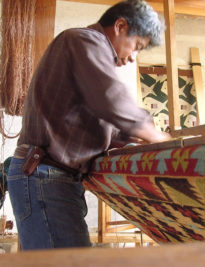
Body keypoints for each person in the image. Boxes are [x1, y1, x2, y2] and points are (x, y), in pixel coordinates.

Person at [7, 0, 170, 250]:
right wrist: (157, 137)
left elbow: (103, 120)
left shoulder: (83, 52)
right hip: (45, 178)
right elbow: (111, 99)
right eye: (137, 46)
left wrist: (133, 137)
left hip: (47, 177)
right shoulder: (84, 41)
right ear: (120, 26)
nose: (133, 58)